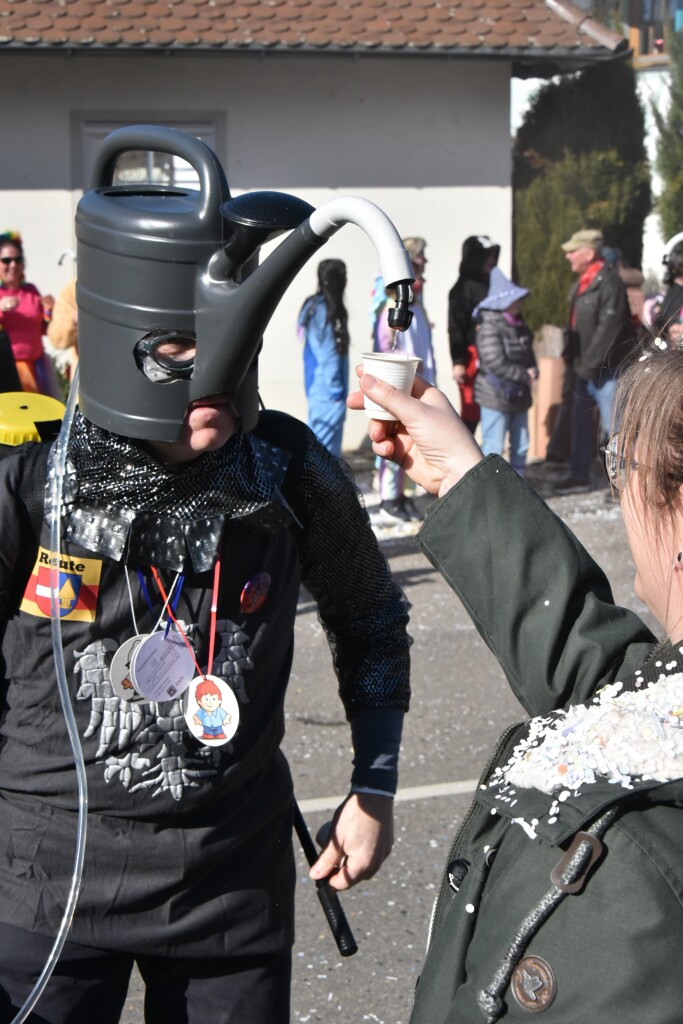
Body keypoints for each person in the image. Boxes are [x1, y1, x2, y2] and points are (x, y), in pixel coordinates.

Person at [0, 189, 411, 1021]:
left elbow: (369, 619)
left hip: (228, 890)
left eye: (234, 349)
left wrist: (374, 785)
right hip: (48, 884)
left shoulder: (287, 467)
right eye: (184, 351)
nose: (212, 382)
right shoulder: (33, 479)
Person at [348, 355, 683, 1023]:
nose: (621, 495)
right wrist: (460, 475)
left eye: (623, 467)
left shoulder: (629, 878)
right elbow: (611, 683)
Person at [554, 228, 636, 496]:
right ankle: (579, 475)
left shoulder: (609, 282)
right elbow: (576, 324)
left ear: (589, 253)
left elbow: (609, 329)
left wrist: (589, 365)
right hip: (584, 367)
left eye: (573, 251)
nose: (567, 256)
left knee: (614, 427)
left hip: (605, 368)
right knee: (580, 424)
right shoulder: (582, 284)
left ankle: (623, 485)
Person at [373, 236, 436, 522]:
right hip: (401, 383)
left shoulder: (418, 302)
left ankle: (404, 494)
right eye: (420, 257)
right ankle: (389, 496)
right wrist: (399, 373)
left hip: (420, 383)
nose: (425, 262)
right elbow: (385, 342)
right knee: (394, 438)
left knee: (414, 440)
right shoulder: (392, 303)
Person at [472, 266, 538, 476]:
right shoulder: (491, 327)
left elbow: (528, 354)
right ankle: (490, 489)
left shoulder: (519, 325)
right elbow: (494, 361)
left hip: (518, 394)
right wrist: (524, 375)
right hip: (495, 394)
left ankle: (519, 488)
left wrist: (534, 369)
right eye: (514, 300)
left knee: (521, 445)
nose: (519, 303)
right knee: (494, 446)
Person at [448, 234, 500, 434]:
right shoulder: (461, 289)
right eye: (488, 256)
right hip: (471, 357)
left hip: (493, 356)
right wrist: (458, 360)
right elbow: (455, 326)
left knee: (491, 410)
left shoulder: (493, 285)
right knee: (471, 411)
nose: (492, 261)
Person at [297, 259, 349, 458]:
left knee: (319, 449)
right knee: (324, 456)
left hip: (316, 389)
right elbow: (329, 356)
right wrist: (337, 393)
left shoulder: (311, 307)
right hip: (329, 393)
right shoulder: (325, 311)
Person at [0, 231, 59, 397]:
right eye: (6, 260)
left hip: (37, 368)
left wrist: (49, 310)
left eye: (17, 259)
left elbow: (44, 329)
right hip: (6, 369)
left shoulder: (31, 290)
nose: (12, 265)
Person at [47, 277, 79, 379]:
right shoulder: (75, 288)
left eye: (18, 259)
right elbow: (57, 338)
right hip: (88, 378)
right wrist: (73, 320)